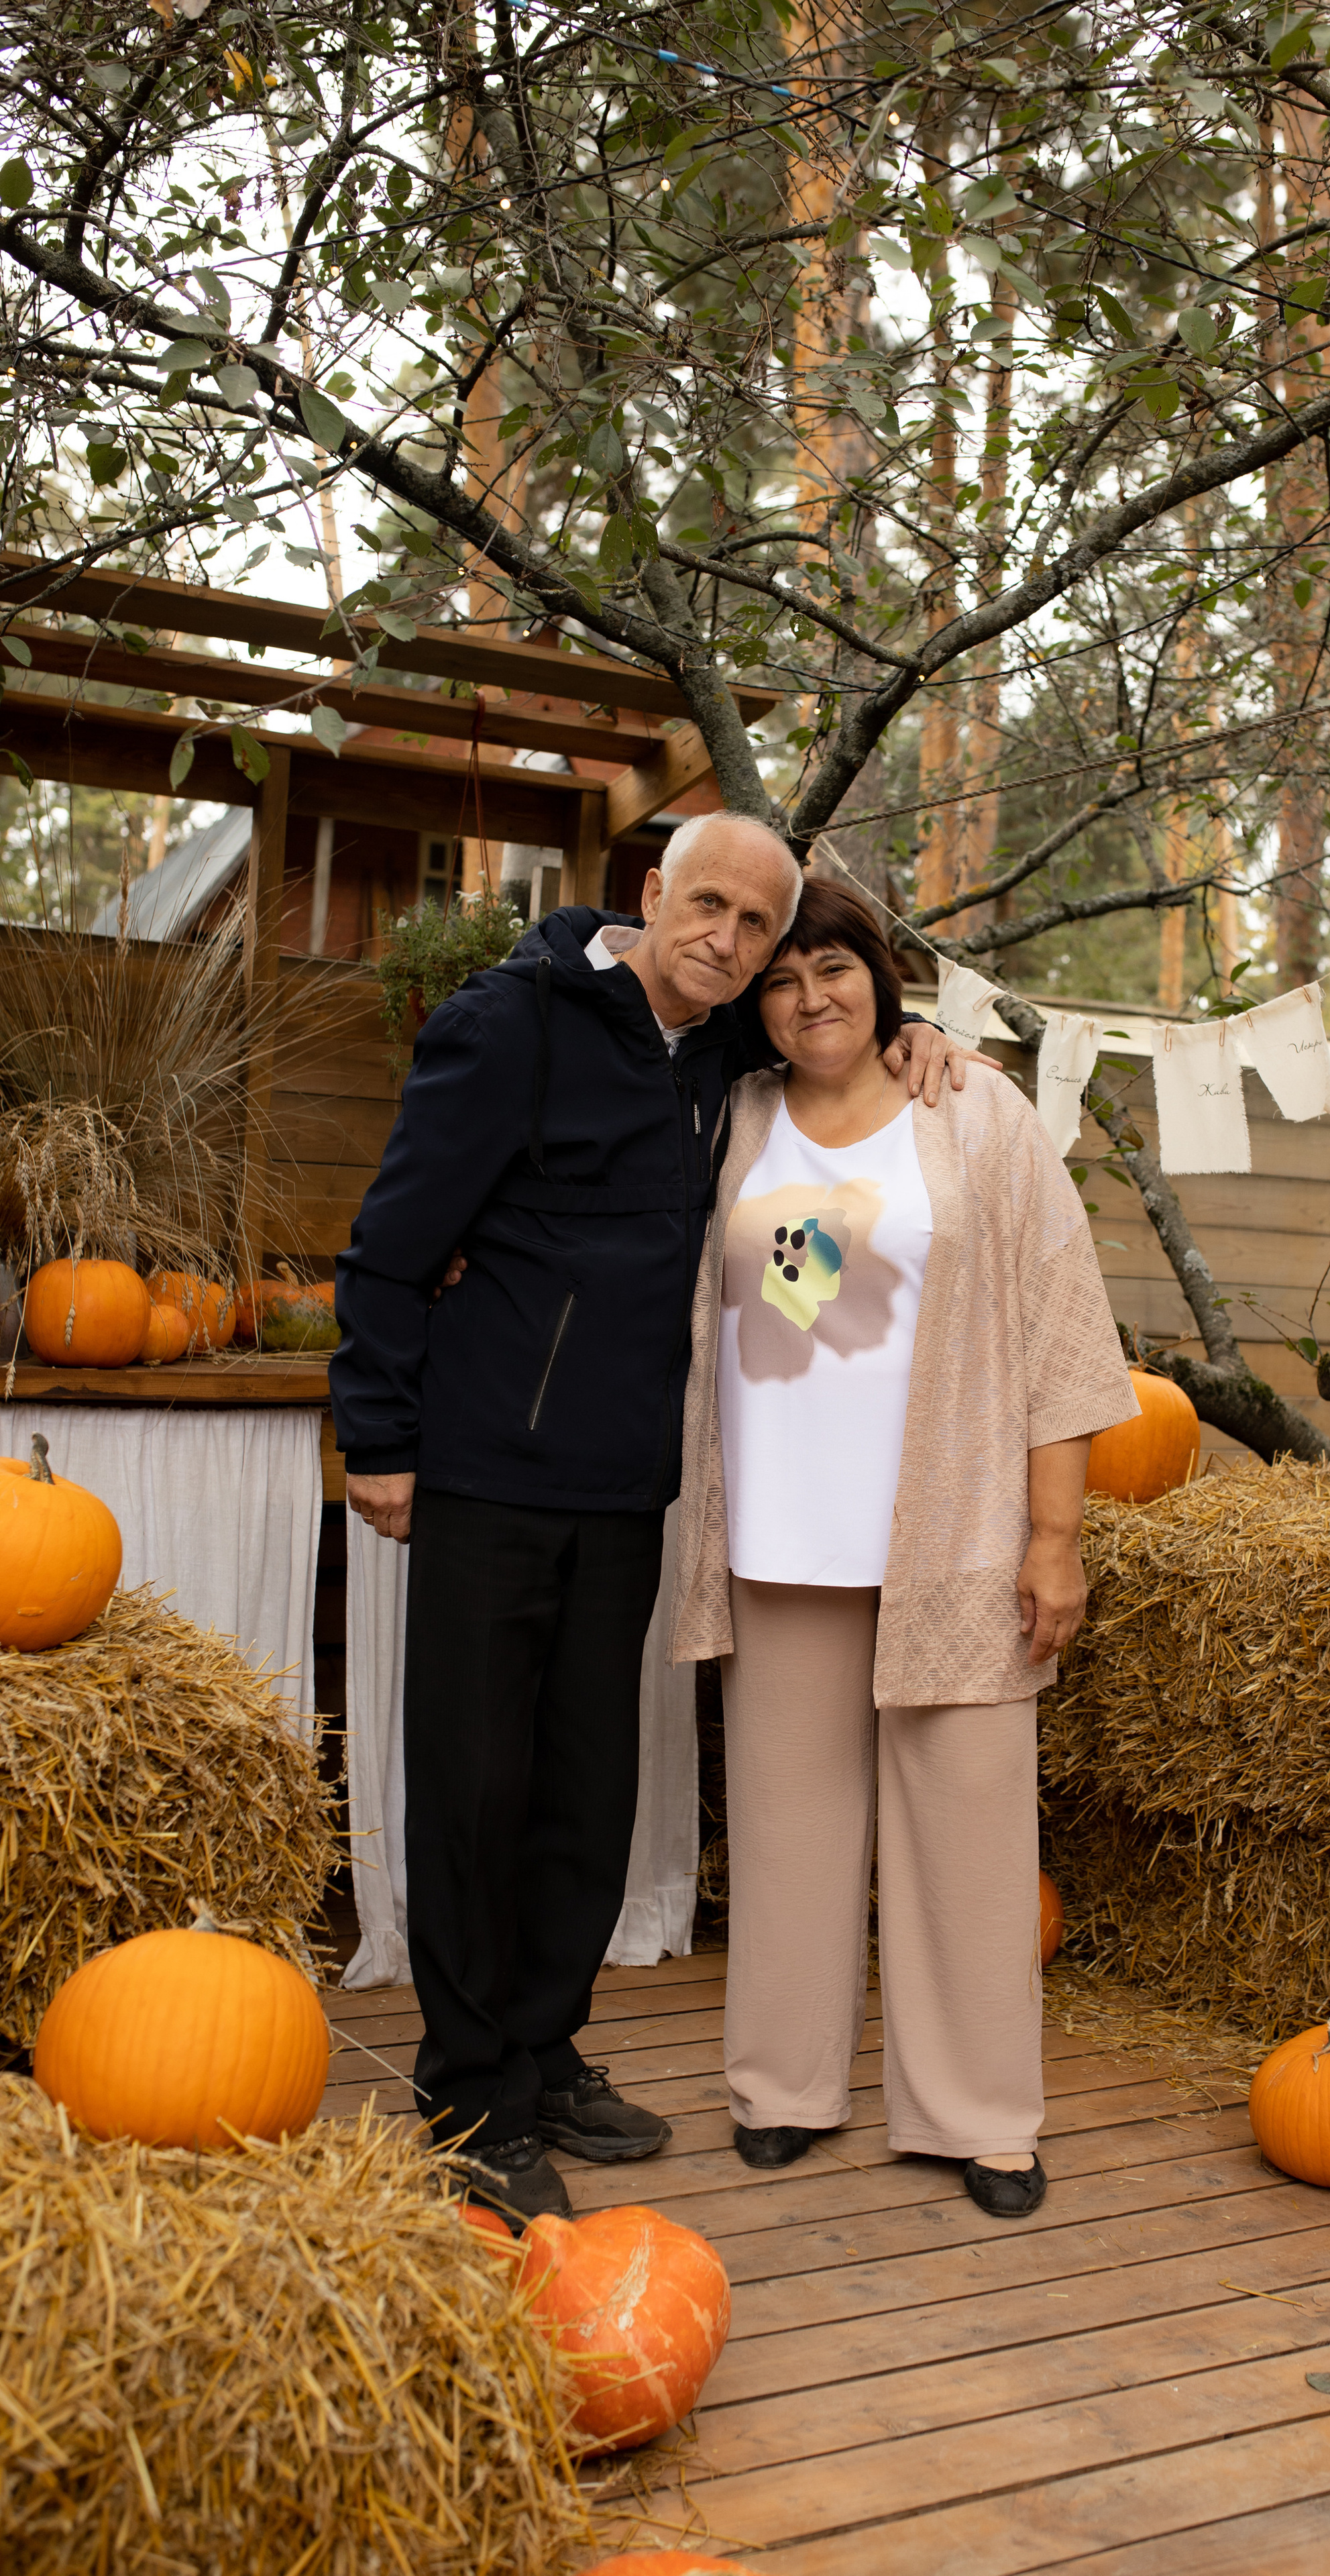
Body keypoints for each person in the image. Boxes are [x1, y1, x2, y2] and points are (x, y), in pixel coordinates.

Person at [331, 816, 971, 2227]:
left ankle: (545, 2051)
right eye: (711, 911)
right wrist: (377, 1436)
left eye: (755, 928)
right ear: (648, 897)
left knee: (583, 1789)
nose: (731, 945)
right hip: (487, 1471)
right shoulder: (513, 1024)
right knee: (475, 1788)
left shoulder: (723, 1057)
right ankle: (466, 2098)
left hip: (627, 1485)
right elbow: (389, 1240)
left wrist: (915, 1029)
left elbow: (834, 1031)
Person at [671, 880, 1138, 2218]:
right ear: (754, 1001)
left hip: (953, 1539)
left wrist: (1054, 1541)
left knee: (969, 1833)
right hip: (777, 1533)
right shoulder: (735, 1116)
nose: (809, 995)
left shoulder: (972, 1114)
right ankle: (781, 2087)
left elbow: (1060, 1332)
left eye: (835, 969)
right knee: (784, 1828)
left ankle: (981, 2115)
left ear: (886, 982)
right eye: (780, 976)